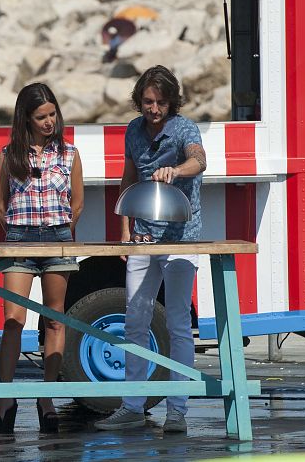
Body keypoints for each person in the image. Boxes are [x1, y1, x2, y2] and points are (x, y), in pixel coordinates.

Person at [94, 65, 206, 434]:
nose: (153, 109)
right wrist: (125, 228)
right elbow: (129, 177)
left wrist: (177, 170)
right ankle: (132, 404)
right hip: (142, 235)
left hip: (181, 237)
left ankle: (177, 410)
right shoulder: (132, 130)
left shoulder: (184, 128)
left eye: (159, 102)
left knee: (177, 323)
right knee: (134, 320)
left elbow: (199, 159)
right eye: (147, 102)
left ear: (171, 102)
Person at [0, 83, 84, 433]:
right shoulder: (8, 154)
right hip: (20, 239)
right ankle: (5, 398)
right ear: (25, 118)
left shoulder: (69, 153)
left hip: (57, 237)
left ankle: (46, 397)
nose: (48, 122)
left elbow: (77, 203)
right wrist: (19, 231)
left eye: (52, 114)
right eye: (40, 116)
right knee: (13, 318)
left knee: (55, 320)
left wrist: (60, 232)